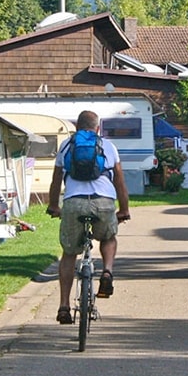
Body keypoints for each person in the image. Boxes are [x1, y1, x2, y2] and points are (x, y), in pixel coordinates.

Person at [47, 110, 131, 324]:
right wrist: (124, 209)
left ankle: (64, 306)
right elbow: (119, 181)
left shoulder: (66, 146)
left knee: (68, 253)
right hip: (103, 201)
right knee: (108, 237)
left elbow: (56, 180)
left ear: (77, 127)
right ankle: (107, 272)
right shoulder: (108, 147)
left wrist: (54, 206)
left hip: (74, 202)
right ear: (98, 128)